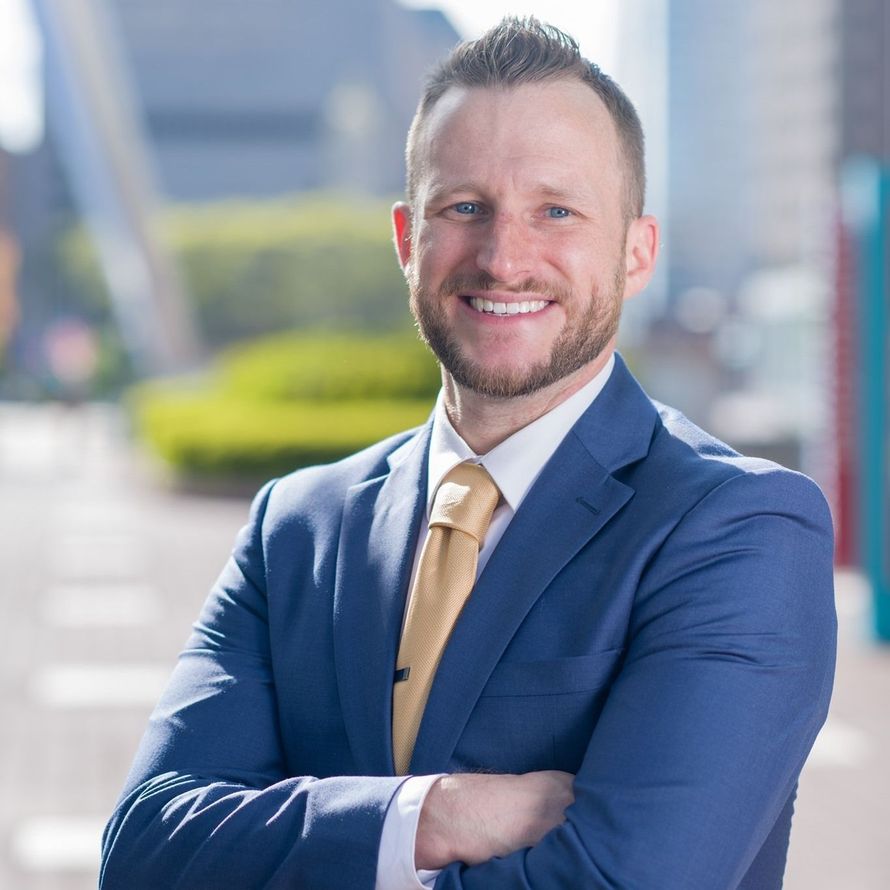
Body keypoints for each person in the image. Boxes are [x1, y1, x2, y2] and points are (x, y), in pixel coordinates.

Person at [100, 18, 836, 890]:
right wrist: (430, 816)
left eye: (555, 211)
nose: (503, 258)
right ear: (409, 240)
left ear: (636, 253)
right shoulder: (296, 528)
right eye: (465, 208)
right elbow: (145, 850)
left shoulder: (736, 529)